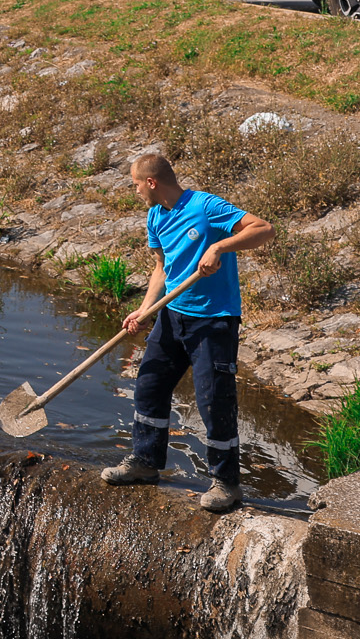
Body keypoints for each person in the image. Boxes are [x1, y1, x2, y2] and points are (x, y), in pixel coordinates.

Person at [102, 152, 271, 513]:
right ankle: (145, 462)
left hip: (213, 320)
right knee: (149, 385)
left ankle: (226, 483)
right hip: (171, 315)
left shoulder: (205, 207)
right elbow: (163, 267)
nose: (134, 192)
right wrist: (147, 309)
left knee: (213, 400)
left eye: (135, 184)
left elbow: (263, 229)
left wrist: (219, 246)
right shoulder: (155, 215)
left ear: (151, 182)